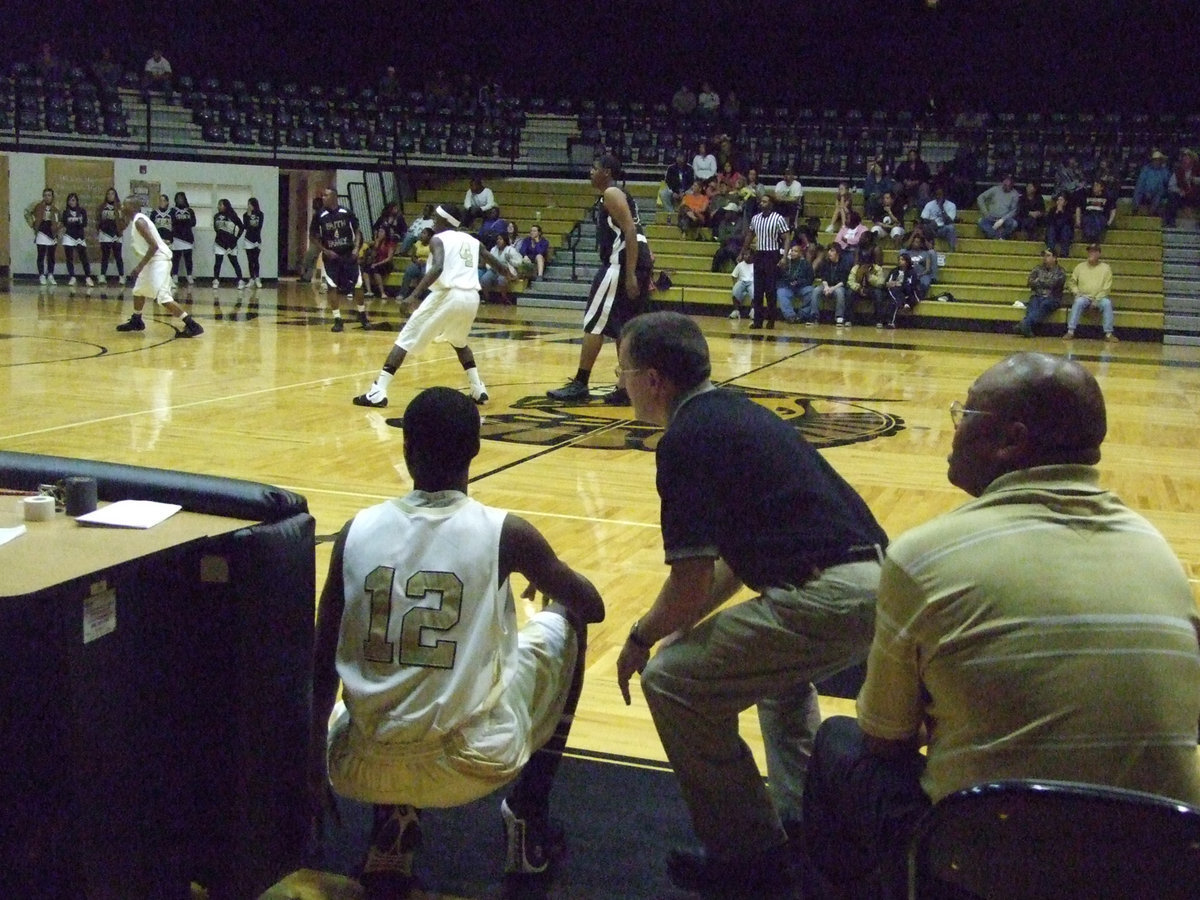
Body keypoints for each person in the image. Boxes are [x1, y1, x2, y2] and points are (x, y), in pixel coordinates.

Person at [801, 352, 1200, 899]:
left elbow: (884, 742)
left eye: (965, 413)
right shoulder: (1158, 554)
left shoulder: (924, 556)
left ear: (1012, 441)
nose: (954, 427)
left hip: (987, 867)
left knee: (838, 744)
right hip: (1153, 867)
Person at [613, 311, 886, 897]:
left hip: (828, 596)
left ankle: (749, 857)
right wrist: (678, 624)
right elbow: (731, 566)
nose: (620, 383)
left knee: (671, 681)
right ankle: (807, 827)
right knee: (777, 684)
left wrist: (641, 637)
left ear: (653, 379)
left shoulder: (686, 439)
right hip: (872, 584)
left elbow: (689, 584)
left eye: (623, 371)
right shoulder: (734, 414)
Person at [312, 386, 604, 898]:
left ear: (406, 449)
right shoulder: (507, 533)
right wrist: (543, 578)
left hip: (358, 766)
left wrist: (310, 766)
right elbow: (593, 605)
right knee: (568, 619)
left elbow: (320, 665)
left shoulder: (354, 531)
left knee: (387, 691)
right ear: (476, 449)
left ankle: (390, 836)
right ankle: (528, 817)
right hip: (468, 762)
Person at [353, 203, 514, 409]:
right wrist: (509, 273)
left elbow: (437, 268)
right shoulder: (472, 240)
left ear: (445, 221)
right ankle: (477, 388)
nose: (434, 222)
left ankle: (377, 391)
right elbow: (495, 262)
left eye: (437, 218)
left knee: (405, 339)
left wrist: (413, 296)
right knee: (459, 341)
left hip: (447, 294)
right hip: (471, 297)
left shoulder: (438, 239)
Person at [546, 154, 651, 405]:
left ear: (607, 172)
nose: (590, 172)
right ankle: (626, 388)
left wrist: (630, 273)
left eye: (594, 168)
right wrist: (643, 265)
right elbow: (638, 232)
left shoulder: (612, 193)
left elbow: (630, 230)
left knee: (594, 324)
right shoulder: (622, 195)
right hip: (634, 263)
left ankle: (580, 383)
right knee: (624, 328)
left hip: (619, 266)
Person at [114, 195, 204, 337]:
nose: (122, 207)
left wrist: (139, 267)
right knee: (138, 291)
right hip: (152, 261)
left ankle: (192, 325)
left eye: (125, 205)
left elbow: (154, 246)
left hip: (159, 260)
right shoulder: (135, 220)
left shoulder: (140, 222)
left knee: (163, 298)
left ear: (132, 207)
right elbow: (120, 229)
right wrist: (118, 214)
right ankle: (137, 320)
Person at [316, 187, 368, 332]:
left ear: (334, 197)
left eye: (326, 195)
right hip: (331, 258)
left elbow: (357, 231)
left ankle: (362, 314)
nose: (323, 198)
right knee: (332, 286)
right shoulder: (320, 215)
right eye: (323, 195)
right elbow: (313, 237)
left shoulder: (346, 213)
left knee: (358, 285)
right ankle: (337, 319)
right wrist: (325, 250)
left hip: (348, 255)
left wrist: (356, 249)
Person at [745, 194, 791, 329]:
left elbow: (787, 237)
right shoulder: (755, 218)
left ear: (771, 204)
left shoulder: (778, 218)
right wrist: (743, 251)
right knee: (758, 290)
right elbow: (750, 235)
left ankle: (771, 320)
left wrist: (784, 257)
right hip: (759, 254)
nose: (761, 204)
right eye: (761, 202)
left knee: (770, 290)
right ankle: (758, 321)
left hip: (772, 255)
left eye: (765, 202)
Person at [1064, 243, 1117, 342]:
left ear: (1099, 253)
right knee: (1078, 302)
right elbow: (1072, 282)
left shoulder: (1106, 268)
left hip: (1100, 298)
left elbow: (1107, 287)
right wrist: (1076, 292)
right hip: (1084, 296)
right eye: (1090, 251)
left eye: (1094, 251)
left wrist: (1097, 299)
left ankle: (1108, 333)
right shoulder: (1080, 267)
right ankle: (1070, 331)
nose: (1091, 253)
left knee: (1107, 303)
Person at [1015, 248, 1067, 337]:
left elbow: (1053, 284)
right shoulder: (1037, 268)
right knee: (1033, 305)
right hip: (1037, 296)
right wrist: (1044, 282)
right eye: (1044, 255)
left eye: (1048, 255)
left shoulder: (1060, 271)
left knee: (1045, 304)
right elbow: (1030, 282)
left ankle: (1025, 324)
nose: (1045, 258)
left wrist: (1038, 281)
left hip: (1053, 298)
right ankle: (1027, 327)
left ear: (1055, 258)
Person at [25, 188, 60, 286]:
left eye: (49, 195)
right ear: (43, 196)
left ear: (52, 197)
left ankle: (50, 275)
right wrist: (32, 224)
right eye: (45, 195)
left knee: (51, 255)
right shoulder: (37, 206)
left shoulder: (56, 207)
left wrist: (58, 228)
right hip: (41, 232)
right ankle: (41, 275)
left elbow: (60, 219)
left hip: (52, 233)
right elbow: (26, 212)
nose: (47, 197)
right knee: (41, 254)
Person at [60, 193, 95, 288]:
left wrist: (74, 222)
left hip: (79, 237)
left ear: (77, 201)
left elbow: (84, 223)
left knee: (84, 258)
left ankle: (88, 277)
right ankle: (72, 277)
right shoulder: (65, 212)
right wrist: (77, 222)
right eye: (70, 200)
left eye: (73, 200)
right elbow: (65, 223)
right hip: (69, 236)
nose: (71, 202)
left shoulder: (82, 211)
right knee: (69, 258)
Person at [777, 242, 816, 324]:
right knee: (781, 291)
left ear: (800, 254)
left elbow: (810, 279)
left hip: (801, 287)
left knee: (812, 291)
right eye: (791, 251)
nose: (792, 253)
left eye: (795, 251)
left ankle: (802, 315)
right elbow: (780, 277)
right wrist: (780, 268)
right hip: (788, 287)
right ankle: (790, 316)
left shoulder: (806, 264)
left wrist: (799, 282)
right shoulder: (786, 262)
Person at [212, 199, 246, 289]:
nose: (218, 206)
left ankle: (240, 280)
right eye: (218, 205)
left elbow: (242, 227)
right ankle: (216, 280)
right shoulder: (216, 216)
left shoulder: (233, 216)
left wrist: (236, 238)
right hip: (219, 243)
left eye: (220, 205)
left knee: (234, 262)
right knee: (218, 262)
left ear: (226, 206)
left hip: (231, 244)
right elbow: (216, 228)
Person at [480, 231, 523, 304]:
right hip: (494, 270)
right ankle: (487, 298)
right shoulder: (493, 249)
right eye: (497, 239)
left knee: (501, 280)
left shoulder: (511, 250)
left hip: (506, 271)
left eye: (500, 239)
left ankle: (504, 298)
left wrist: (510, 260)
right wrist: (489, 267)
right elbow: (488, 261)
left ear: (505, 240)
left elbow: (519, 262)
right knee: (484, 279)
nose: (498, 241)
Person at [815, 242, 853, 326]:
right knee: (816, 290)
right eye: (829, 250)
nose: (829, 253)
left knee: (840, 292)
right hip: (827, 285)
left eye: (832, 251)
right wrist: (826, 287)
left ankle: (839, 317)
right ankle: (814, 316)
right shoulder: (825, 262)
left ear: (838, 253)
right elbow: (823, 277)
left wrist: (832, 288)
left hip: (838, 286)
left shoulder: (844, 263)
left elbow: (843, 281)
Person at [96, 188, 127, 285]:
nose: (110, 196)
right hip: (105, 234)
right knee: (105, 256)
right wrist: (99, 228)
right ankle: (102, 275)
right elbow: (97, 219)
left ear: (115, 195)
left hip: (117, 234)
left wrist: (120, 229)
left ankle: (121, 276)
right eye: (108, 194)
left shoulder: (120, 207)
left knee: (118, 256)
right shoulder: (102, 207)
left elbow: (124, 221)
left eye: (112, 194)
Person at [977, 174, 1019, 239]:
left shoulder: (1015, 194)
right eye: (1005, 183)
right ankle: (997, 236)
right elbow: (980, 198)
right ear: (1003, 182)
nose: (1007, 185)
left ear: (1012, 185)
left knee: (1014, 224)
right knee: (981, 222)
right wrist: (985, 212)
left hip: (1004, 219)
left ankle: (998, 235)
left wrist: (1002, 219)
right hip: (991, 217)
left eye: (1009, 184)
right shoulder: (995, 189)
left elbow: (1013, 211)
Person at [169, 192, 197, 287]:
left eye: (181, 198)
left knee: (188, 258)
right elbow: (172, 222)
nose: (180, 200)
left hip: (188, 237)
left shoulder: (190, 211)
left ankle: (189, 275)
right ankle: (175, 275)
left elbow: (193, 223)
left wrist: (182, 222)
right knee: (176, 258)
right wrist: (183, 222)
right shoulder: (173, 211)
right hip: (176, 237)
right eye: (178, 198)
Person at [299, 194, 327, 290]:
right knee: (313, 259)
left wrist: (316, 236)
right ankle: (307, 277)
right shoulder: (320, 214)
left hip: (317, 239)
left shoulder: (319, 215)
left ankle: (304, 274)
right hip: (317, 238)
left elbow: (317, 227)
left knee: (309, 257)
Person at [658, 151, 695, 222]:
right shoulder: (671, 168)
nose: (680, 159)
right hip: (674, 190)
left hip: (686, 190)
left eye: (682, 157)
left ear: (685, 158)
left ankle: (687, 213)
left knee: (691, 194)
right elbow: (668, 181)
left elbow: (691, 182)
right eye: (678, 157)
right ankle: (671, 212)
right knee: (663, 193)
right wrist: (673, 192)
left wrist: (684, 192)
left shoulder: (690, 168)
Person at [1076, 180, 1116, 244]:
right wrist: (1078, 220)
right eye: (1094, 185)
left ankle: (1092, 238)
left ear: (1102, 187)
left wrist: (1109, 222)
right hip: (1088, 215)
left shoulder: (1107, 197)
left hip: (1101, 216)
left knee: (1097, 219)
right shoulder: (1087, 195)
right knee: (1089, 219)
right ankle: (1092, 237)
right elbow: (1078, 207)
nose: (1094, 187)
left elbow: (1113, 209)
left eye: (1097, 186)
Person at [362, 226, 397, 300]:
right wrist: (376, 246)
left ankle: (382, 292)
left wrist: (377, 264)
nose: (379, 233)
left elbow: (389, 258)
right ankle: (369, 291)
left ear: (386, 233)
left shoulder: (391, 243)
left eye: (381, 232)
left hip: (386, 263)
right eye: (379, 232)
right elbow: (373, 255)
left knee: (376, 270)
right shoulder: (378, 242)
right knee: (366, 269)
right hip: (377, 262)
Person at [1133, 149, 1171, 217]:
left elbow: (1167, 183)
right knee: (1138, 189)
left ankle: (1152, 212)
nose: (1156, 162)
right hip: (1145, 192)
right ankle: (1135, 209)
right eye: (1155, 160)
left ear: (1161, 161)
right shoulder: (1146, 169)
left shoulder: (1165, 171)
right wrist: (1146, 192)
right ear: (1152, 160)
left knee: (1159, 193)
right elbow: (1141, 182)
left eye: (1158, 160)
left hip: (1158, 192)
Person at [919, 186, 958, 250]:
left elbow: (949, 222)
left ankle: (952, 249)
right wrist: (931, 222)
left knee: (951, 228)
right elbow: (923, 219)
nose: (938, 196)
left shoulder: (951, 205)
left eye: (940, 195)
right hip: (931, 228)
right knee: (925, 227)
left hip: (943, 228)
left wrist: (941, 208)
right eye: (936, 195)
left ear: (944, 196)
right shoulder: (929, 204)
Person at [242, 197, 265, 288]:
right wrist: (248, 216)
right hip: (248, 240)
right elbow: (246, 227)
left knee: (256, 260)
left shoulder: (260, 214)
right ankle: (251, 278)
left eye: (250, 204)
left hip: (256, 240)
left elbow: (259, 227)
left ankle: (257, 278)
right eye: (248, 204)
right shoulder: (245, 215)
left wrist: (252, 227)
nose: (249, 206)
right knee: (250, 260)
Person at [1044, 191, 1074, 258]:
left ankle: (1064, 252)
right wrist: (1056, 213)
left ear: (1065, 202)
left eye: (1061, 200)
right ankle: (1050, 250)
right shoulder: (1052, 210)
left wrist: (1062, 213)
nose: (1059, 202)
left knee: (1066, 229)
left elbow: (1070, 223)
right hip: (1054, 232)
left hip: (1064, 233)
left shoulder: (1069, 211)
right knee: (1051, 229)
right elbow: (1049, 222)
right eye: (1058, 200)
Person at [727, 247, 754, 319]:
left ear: (752, 256)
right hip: (742, 281)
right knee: (735, 290)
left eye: (747, 254)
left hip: (752, 282)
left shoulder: (756, 265)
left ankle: (753, 310)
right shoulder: (740, 265)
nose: (745, 256)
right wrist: (735, 284)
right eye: (744, 254)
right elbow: (734, 275)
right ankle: (736, 311)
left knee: (754, 291)